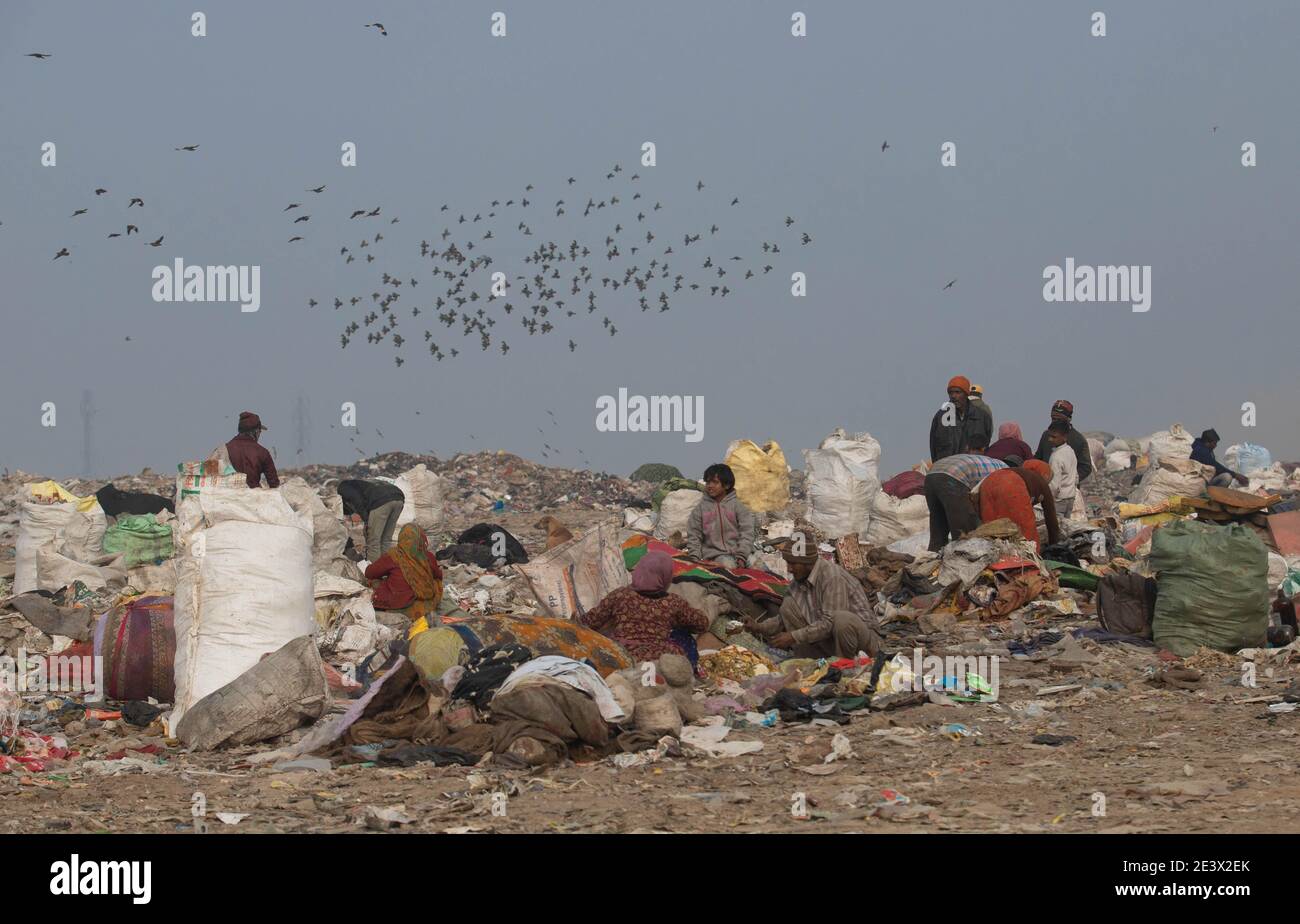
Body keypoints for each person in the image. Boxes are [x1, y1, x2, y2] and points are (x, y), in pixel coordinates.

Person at [743, 536, 882, 658]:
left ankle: (844, 669)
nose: (789, 569)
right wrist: (758, 627)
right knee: (788, 606)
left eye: (793, 564)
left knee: (841, 618)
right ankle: (814, 662)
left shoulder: (832, 577)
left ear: (807, 562)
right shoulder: (800, 580)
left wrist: (793, 637)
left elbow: (830, 623)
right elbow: (782, 619)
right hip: (833, 641)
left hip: (863, 642)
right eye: (788, 563)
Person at [580, 550, 708, 663]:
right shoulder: (673, 603)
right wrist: (674, 620)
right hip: (659, 660)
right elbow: (702, 624)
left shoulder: (620, 595)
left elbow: (590, 621)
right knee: (684, 636)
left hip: (622, 657)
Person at [924, 452, 1007, 551]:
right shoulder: (1006, 473)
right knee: (965, 533)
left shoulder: (996, 464)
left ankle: (933, 557)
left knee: (938, 526)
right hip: (953, 475)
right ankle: (960, 560)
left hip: (931, 475)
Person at [365, 524, 444, 622]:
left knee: (376, 582)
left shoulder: (393, 556)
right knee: (436, 582)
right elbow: (439, 575)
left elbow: (369, 573)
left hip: (398, 603)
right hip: (426, 599)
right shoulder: (428, 556)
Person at [978, 460, 1060, 552]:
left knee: (991, 527)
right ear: (1046, 475)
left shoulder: (1021, 472)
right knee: (1027, 533)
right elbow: (1051, 517)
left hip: (988, 481)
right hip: (1012, 484)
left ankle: (992, 556)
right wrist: (1054, 544)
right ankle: (1029, 562)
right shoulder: (1041, 481)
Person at [686, 463, 757, 567]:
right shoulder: (700, 509)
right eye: (708, 482)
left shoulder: (737, 506)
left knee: (757, 565)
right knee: (728, 566)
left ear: (727, 485)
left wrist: (742, 555)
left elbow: (747, 531)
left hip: (741, 553)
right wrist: (694, 557)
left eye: (715, 482)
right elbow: (694, 535)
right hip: (716, 555)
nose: (710, 486)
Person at [337, 479, 406, 561]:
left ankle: (374, 571)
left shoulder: (343, 487)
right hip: (398, 497)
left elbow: (357, 501)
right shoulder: (361, 485)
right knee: (386, 539)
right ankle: (386, 568)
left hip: (380, 500)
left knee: (373, 542)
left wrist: (366, 520)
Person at [930, 376, 994, 461]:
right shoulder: (940, 417)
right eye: (950, 393)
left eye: (957, 392)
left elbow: (986, 443)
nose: (953, 396)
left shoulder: (982, 417)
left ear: (966, 393)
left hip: (973, 468)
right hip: (947, 468)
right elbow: (933, 447)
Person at [1033, 400, 1092, 482]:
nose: (1055, 421)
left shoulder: (1078, 440)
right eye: (1053, 418)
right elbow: (1038, 458)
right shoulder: (1046, 435)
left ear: (1069, 419)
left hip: (1069, 491)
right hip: (1046, 486)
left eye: (1059, 419)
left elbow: (1086, 467)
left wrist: (1069, 480)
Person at [225, 411, 279, 488]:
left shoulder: (224, 450)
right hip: (253, 499)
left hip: (227, 498)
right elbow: (274, 484)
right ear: (256, 432)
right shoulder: (262, 453)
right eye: (260, 431)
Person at [1044, 421, 1079, 517]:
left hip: (1059, 501)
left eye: (1054, 437)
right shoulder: (1070, 451)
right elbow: (1076, 477)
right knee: (1065, 528)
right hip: (1070, 499)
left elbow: (1054, 486)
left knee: (1056, 529)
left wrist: (1046, 500)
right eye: (1049, 436)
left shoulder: (1056, 457)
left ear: (1064, 437)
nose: (1050, 439)